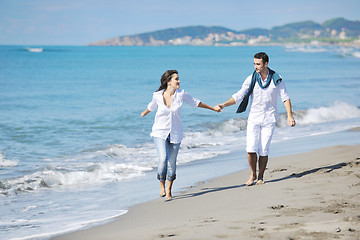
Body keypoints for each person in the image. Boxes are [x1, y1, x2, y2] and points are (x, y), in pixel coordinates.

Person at [217, 52, 296, 186]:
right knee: (251, 148)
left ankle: (260, 176)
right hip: (254, 118)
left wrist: (289, 115)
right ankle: (253, 173)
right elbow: (239, 96)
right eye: (254, 63)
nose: (255, 66)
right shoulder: (251, 78)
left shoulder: (277, 79)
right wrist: (223, 104)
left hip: (269, 118)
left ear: (266, 64)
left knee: (264, 149)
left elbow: (285, 97)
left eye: (258, 64)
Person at [141, 70, 221, 200]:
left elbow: (196, 102)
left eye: (178, 79)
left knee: (171, 163)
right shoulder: (157, 95)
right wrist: (144, 113)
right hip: (159, 132)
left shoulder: (181, 94)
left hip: (175, 133)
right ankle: (161, 185)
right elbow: (152, 106)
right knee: (162, 159)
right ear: (168, 81)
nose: (179, 81)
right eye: (176, 79)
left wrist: (213, 108)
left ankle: (169, 191)